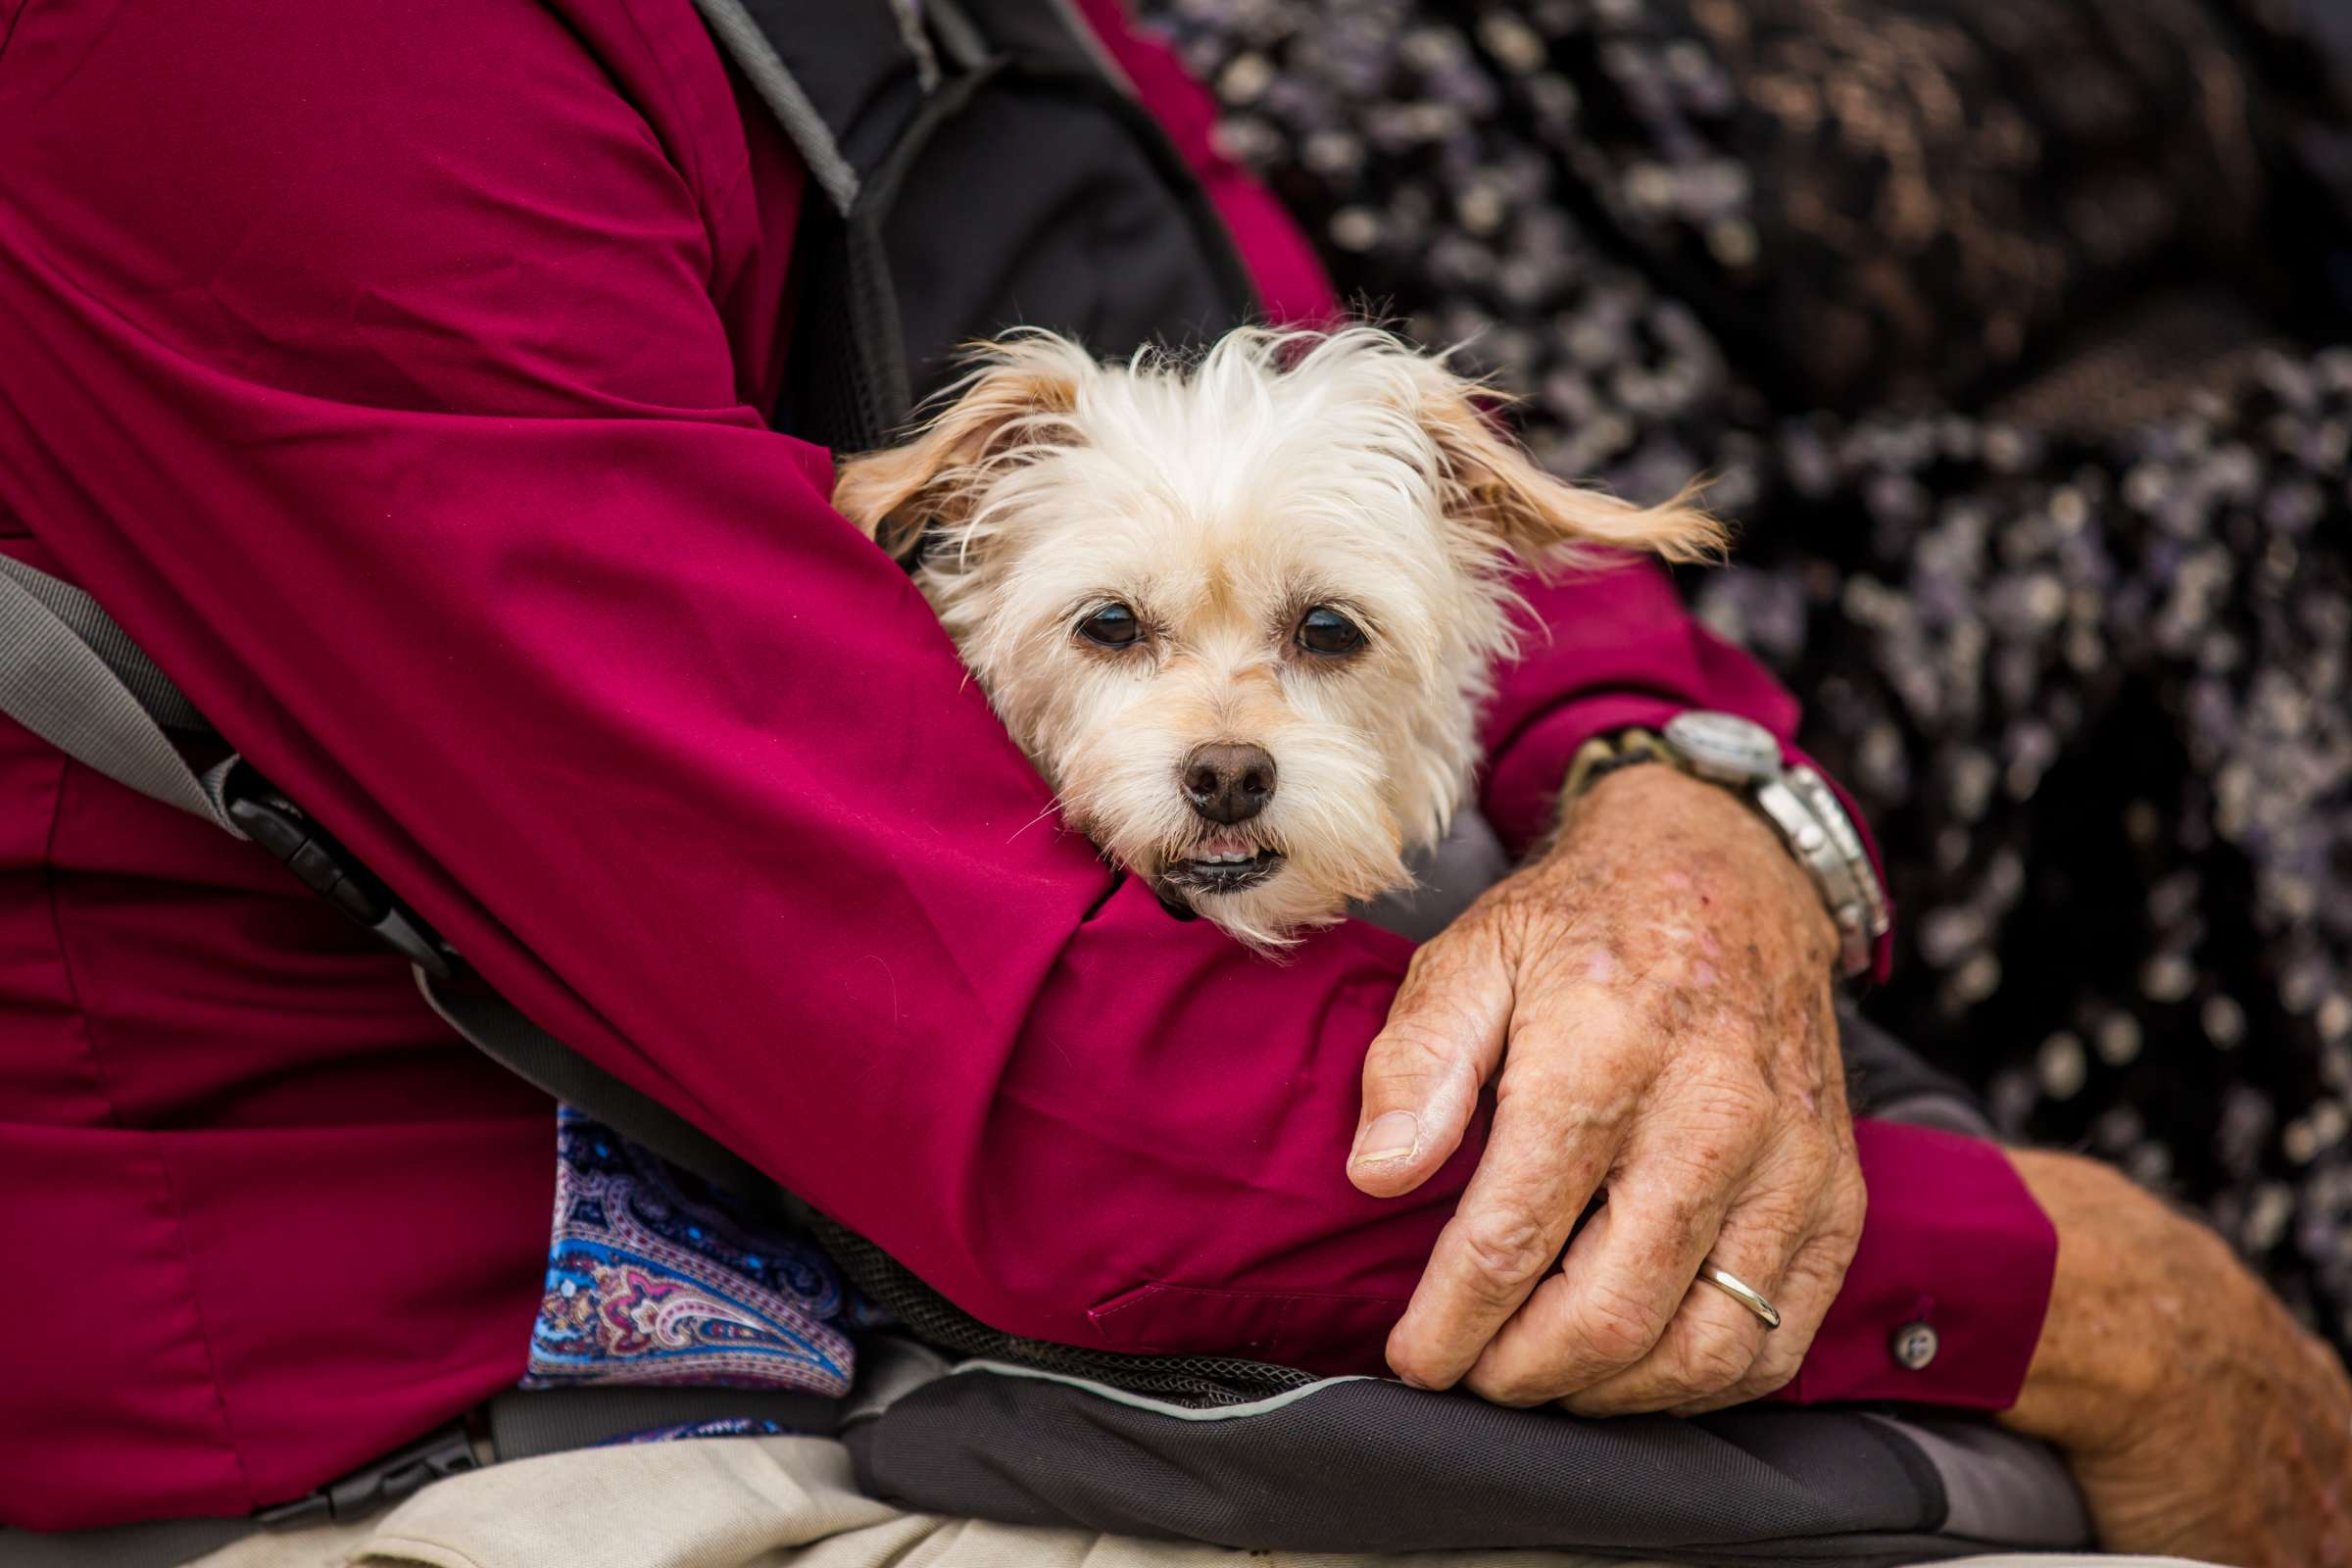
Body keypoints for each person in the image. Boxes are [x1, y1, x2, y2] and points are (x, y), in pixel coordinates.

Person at [0, 1, 2340, 1563]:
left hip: (960, 1255)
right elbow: (1046, 1112)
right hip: (464, 1407)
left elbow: (1282, 349)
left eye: (1306, 648)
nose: (1220, 721)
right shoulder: (253, 65)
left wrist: (1659, 772)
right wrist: (2089, 1294)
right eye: (1120, 636)